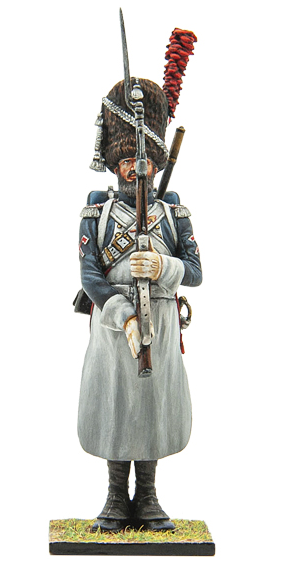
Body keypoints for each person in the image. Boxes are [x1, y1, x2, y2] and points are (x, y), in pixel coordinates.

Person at [77, 77, 202, 532]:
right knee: (115, 405)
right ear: (115, 164)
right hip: (113, 327)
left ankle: (147, 496)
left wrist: (164, 266)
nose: (135, 170)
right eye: (127, 161)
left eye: (141, 161)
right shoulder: (97, 214)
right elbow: (90, 276)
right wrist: (123, 316)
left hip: (163, 321)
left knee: (151, 409)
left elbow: (195, 271)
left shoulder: (173, 213)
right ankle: (116, 496)